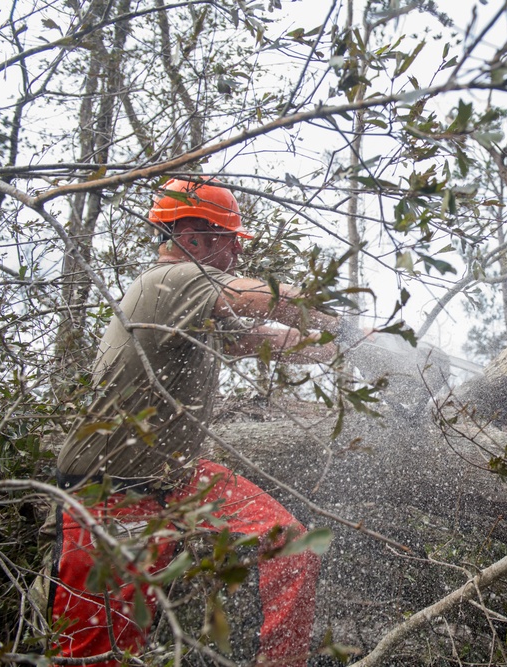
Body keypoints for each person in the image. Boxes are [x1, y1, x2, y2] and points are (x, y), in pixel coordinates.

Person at [50, 178, 342, 666]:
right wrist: (339, 321)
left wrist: (343, 348)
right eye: (232, 243)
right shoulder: (169, 282)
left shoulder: (191, 303)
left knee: (292, 546)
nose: (237, 258)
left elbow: (258, 340)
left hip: (179, 477)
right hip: (111, 494)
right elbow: (266, 297)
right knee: (102, 654)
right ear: (195, 238)